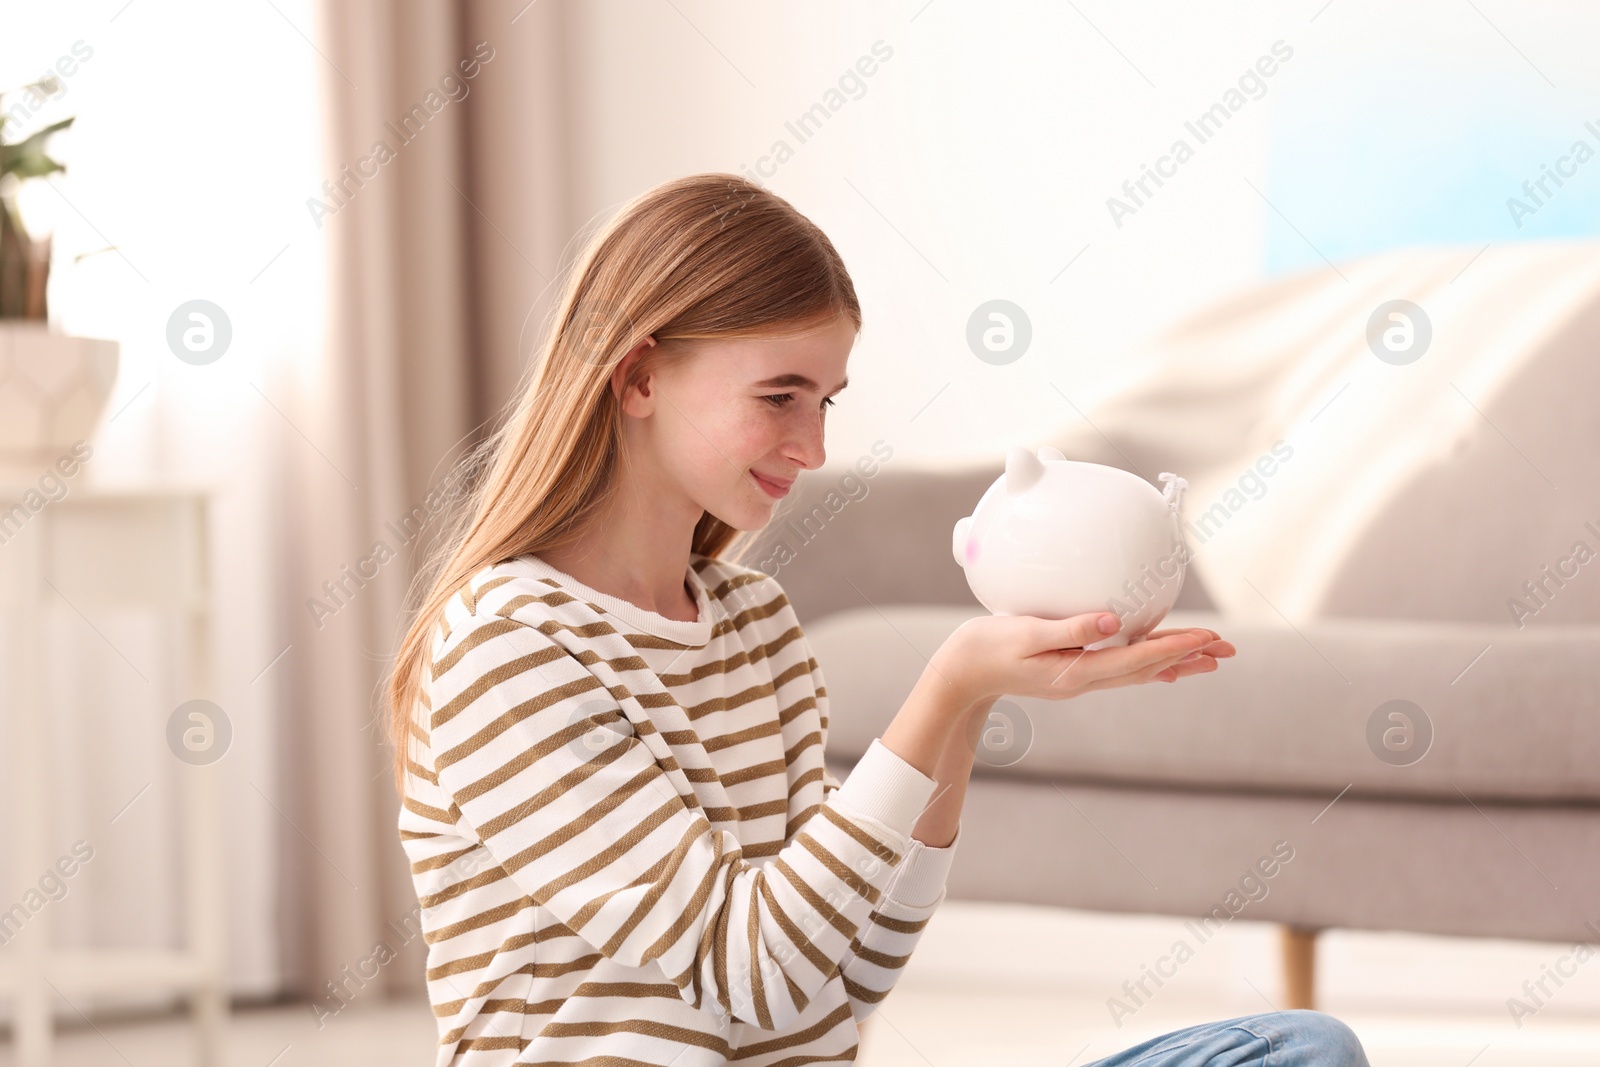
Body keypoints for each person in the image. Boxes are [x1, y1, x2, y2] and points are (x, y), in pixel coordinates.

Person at [384, 173, 1369, 1066]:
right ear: (639, 377)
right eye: (780, 396)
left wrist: (973, 704)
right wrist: (946, 683)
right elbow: (754, 973)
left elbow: (839, 987)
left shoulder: (754, 624)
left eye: (826, 400)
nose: (811, 445)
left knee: (1297, 1049)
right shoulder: (511, 644)